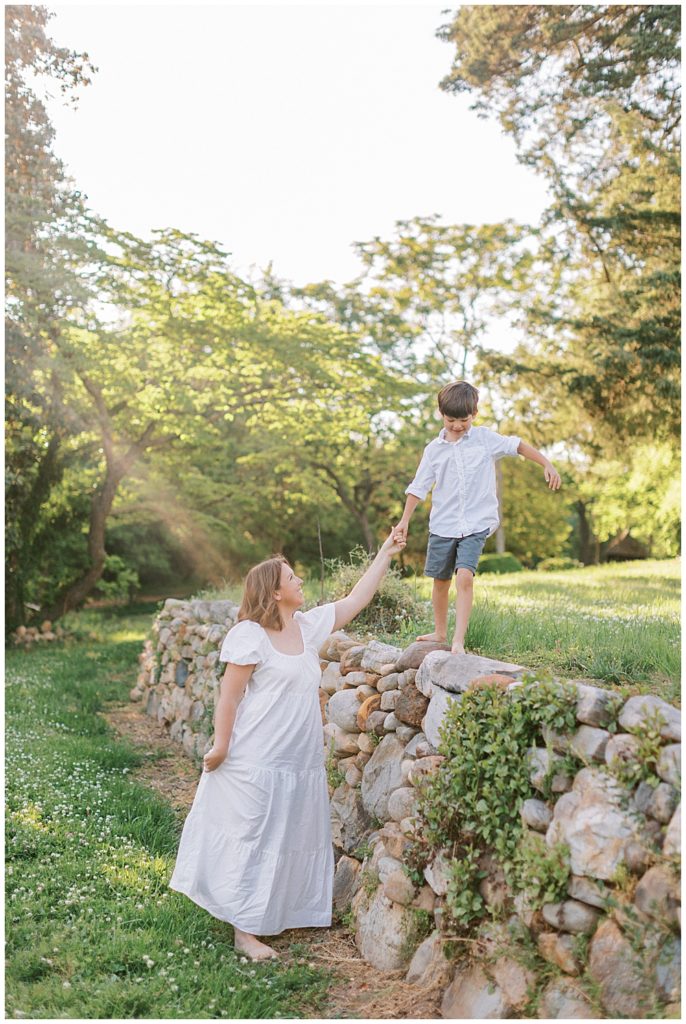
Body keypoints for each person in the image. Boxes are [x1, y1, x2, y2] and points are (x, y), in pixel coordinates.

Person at [169, 529, 405, 961]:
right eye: (292, 578)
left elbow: (356, 600)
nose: (300, 582)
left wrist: (386, 553)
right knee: (255, 836)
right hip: (256, 758)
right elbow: (229, 695)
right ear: (275, 593)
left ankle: (275, 911)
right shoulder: (250, 635)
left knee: (284, 836)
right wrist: (221, 745)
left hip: (298, 761)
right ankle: (245, 933)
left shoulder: (308, 627)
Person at [394, 381, 561, 655]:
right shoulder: (433, 450)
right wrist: (404, 521)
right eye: (451, 420)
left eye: (464, 420)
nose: (457, 426)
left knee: (465, 577)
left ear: (474, 414)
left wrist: (547, 463)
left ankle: (458, 641)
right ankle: (439, 632)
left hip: (476, 523)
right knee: (440, 580)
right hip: (443, 524)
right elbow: (418, 487)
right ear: (440, 414)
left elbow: (517, 445)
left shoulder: (484, 439)